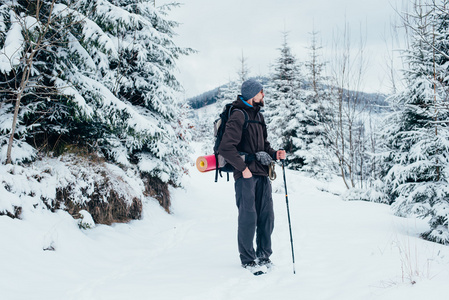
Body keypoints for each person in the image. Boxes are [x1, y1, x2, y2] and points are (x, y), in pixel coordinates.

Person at [218, 78, 286, 274]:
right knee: (248, 217)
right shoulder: (238, 115)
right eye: (261, 91)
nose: (263, 94)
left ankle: (264, 256)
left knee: (267, 216)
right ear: (252, 94)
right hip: (245, 175)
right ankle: (248, 260)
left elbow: (263, 146)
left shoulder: (259, 116)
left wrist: (274, 154)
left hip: (262, 173)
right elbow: (226, 148)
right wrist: (243, 168)